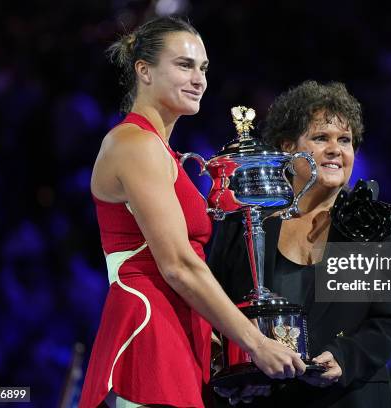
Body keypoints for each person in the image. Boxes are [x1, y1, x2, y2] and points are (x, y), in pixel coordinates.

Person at [79, 17, 305, 408]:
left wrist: (219, 337)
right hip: (148, 332)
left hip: (177, 329)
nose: (199, 78)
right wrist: (254, 342)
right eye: (184, 65)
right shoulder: (133, 144)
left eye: (203, 68)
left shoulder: (159, 150)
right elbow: (178, 265)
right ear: (144, 71)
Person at [209, 81, 391, 407]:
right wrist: (235, 375)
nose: (336, 149)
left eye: (345, 140)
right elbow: (213, 307)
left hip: (347, 397)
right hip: (264, 399)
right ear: (288, 147)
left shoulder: (381, 226)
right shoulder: (245, 218)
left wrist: (344, 357)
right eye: (320, 138)